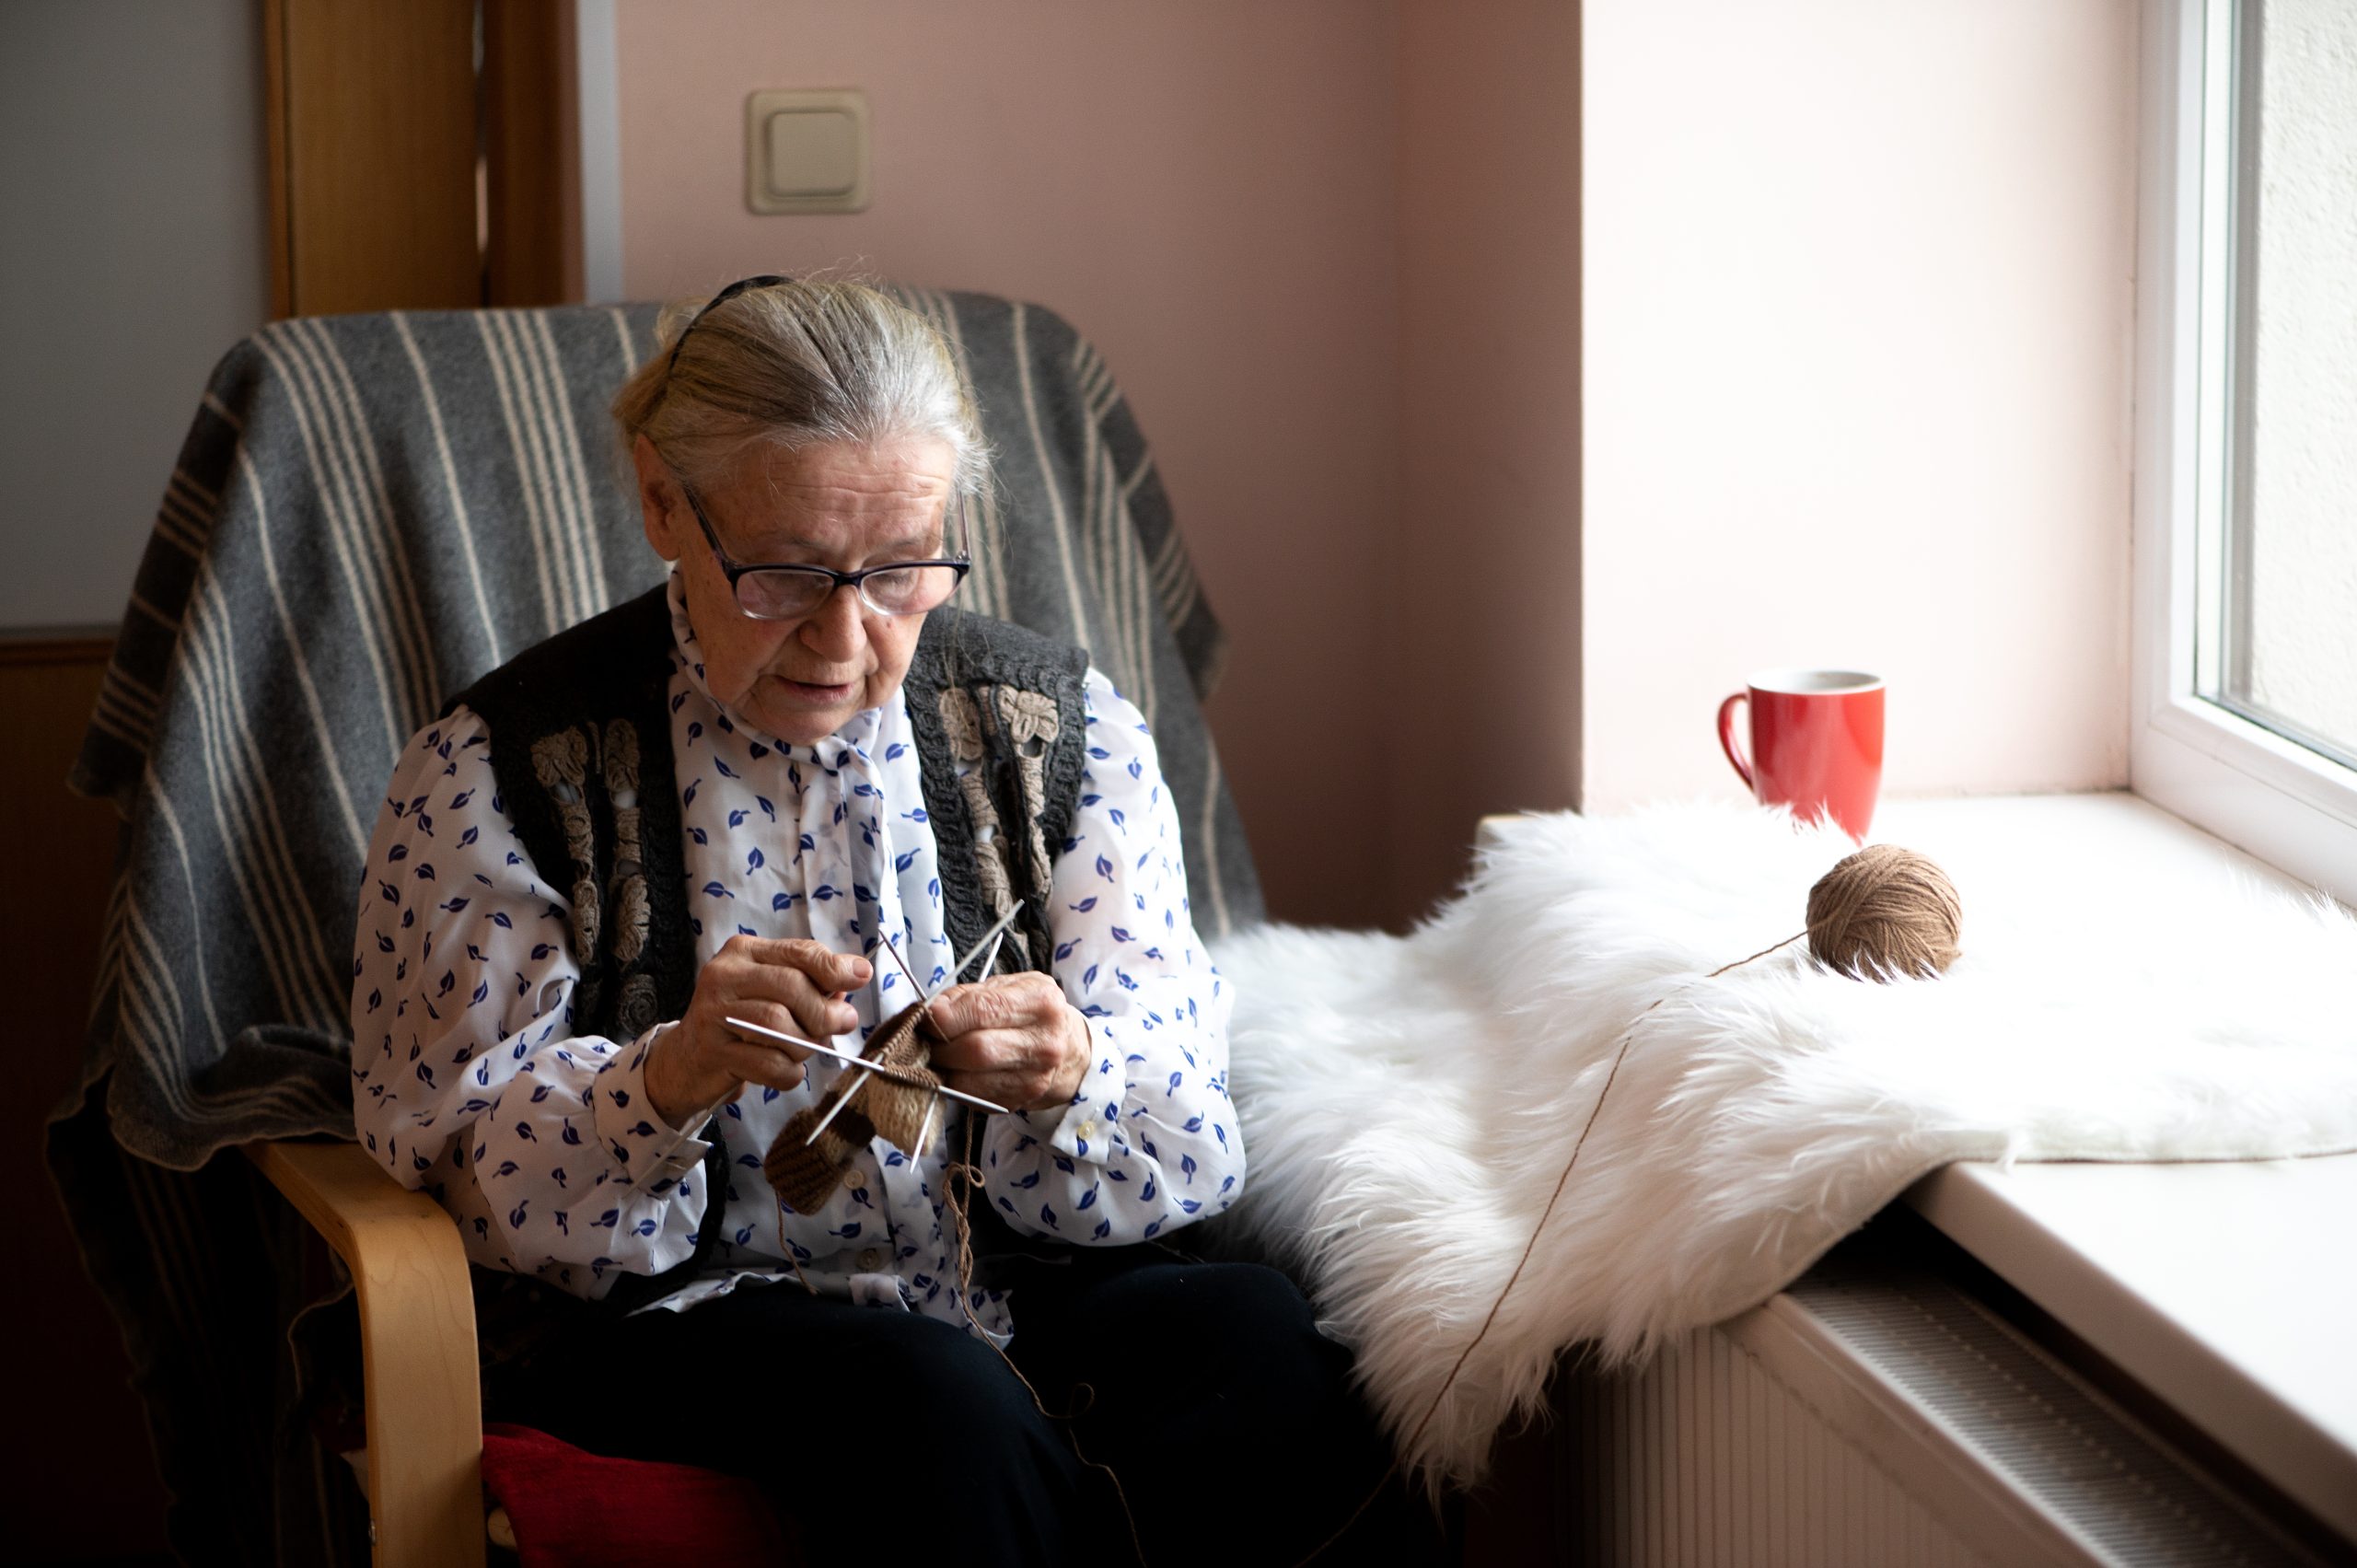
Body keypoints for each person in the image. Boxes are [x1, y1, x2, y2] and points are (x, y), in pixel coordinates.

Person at [348, 277, 1434, 1564]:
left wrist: (1076, 1071)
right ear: (661, 503)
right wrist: (667, 1076)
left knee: (1265, 1347)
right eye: (785, 574)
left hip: (1022, 1288)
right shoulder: (500, 771)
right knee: (934, 1405)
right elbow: (462, 1164)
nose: (846, 635)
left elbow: (1191, 1134)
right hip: (679, 1322)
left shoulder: (1062, 735)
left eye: (902, 568)